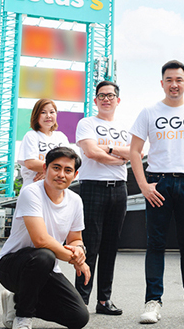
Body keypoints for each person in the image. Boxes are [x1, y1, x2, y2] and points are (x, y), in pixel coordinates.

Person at [129, 60, 184, 324]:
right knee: (155, 244)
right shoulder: (149, 112)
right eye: (169, 80)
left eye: (178, 80)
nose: (174, 84)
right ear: (162, 83)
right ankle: (153, 302)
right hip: (159, 183)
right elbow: (135, 150)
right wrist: (143, 185)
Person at [0, 146, 91, 329]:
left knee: (78, 317)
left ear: (75, 175)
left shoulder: (75, 201)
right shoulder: (31, 192)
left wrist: (79, 251)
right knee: (44, 255)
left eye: (68, 170)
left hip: (46, 269)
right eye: (56, 168)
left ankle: (17, 301)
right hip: (12, 267)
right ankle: (23, 317)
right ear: (45, 168)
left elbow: (75, 239)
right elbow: (40, 240)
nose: (61, 174)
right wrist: (74, 260)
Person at [74, 81, 132, 314]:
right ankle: (80, 301)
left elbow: (136, 152)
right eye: (101, 96)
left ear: (118, 100)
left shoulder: (125, 127)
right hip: (92, 187)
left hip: (119, 189)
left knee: (110, 246)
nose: (106, 99)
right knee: (89, 246)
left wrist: (106, 149)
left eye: (110, 95)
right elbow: (90, 152)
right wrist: (118, 157)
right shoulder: (87, 123)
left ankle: (104, 300)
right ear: (95, 100)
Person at [18, 99, 69, 189]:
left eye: (52, 112)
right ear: (36, 115)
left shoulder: (61, 137)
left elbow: (69, 163)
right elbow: (31, 163)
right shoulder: (31, 136)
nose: (48, 116)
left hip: (56, 189)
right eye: (43, 112)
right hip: (34, 187)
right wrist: (52, 170)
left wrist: (47, 171)